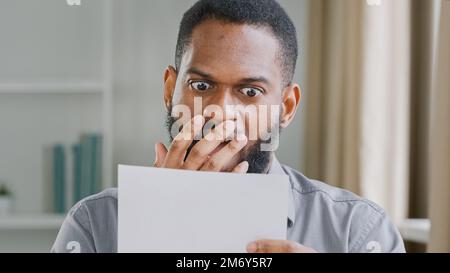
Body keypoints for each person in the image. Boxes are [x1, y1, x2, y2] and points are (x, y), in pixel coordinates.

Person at [52, 0, 405, 253]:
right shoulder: (96, 226)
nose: (221, 112)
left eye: (250, 91)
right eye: (202, 86)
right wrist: (157, 222)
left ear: (286, 107)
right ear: (169, 90)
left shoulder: (357, 232)